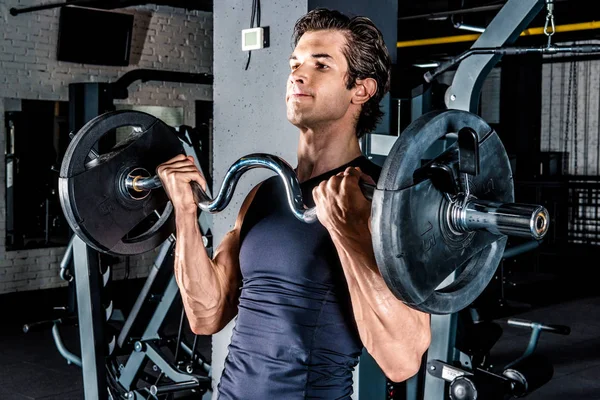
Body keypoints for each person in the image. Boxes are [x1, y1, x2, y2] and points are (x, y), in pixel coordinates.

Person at [157, 8, 431, 399]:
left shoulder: (379, 199)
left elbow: (402, 360)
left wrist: (348, 232)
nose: (297, 75)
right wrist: (184, 215)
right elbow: (206, 315)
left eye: (321, 65)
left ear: (362, 90)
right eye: (296, 63)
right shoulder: (265, 193)